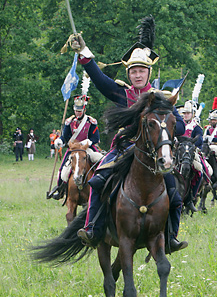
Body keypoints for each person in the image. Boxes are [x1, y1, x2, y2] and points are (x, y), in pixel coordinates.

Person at [69, 17, 187, 252]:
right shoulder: (122, 92)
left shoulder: (160, 97)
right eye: (133, 71)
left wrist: (165, 125)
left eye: (141, 71)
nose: (137, 75)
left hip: (153, 154)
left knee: (174, 195)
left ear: (148, 72)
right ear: (129, 74)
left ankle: (171, 237)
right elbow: (99, 79)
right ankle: (92, 228)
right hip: (123, 148)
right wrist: (83, 52)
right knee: (96, 181)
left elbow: (181, 126)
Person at [47, 94, 102, 200]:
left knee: (101, 161)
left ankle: (103, 186)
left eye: (80, 111)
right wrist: (60, 141)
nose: (78, 113)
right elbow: (65, 137)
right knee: (62, 171)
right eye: (76, 110)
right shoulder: (69, 122)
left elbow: (96, 138)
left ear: (84, 109)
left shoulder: (91, 122)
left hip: (87, 148)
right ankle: (60, 190)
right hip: (73, 149)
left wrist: (88, 142)